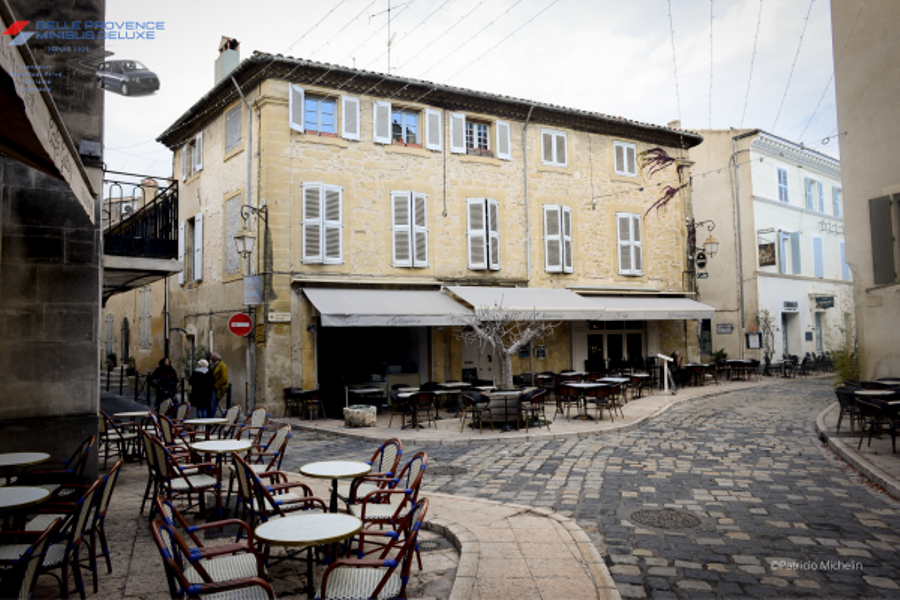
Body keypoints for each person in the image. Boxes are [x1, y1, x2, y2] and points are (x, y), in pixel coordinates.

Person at [210, 353, 228, 417]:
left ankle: (211, 419)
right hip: (212, 387)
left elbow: (224, 379)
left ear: (216, 359)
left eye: (212, 359)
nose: (211, 360)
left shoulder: (222, 366)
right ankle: (210, 418)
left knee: (213, 404)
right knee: (211, 403)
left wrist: (216, 385)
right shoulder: (213, 366)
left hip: (216, 388)